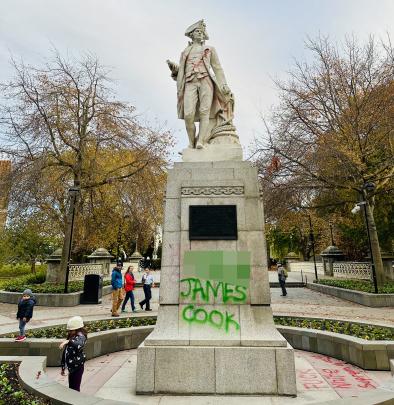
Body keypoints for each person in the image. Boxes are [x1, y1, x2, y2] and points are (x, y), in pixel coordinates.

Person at [167, 20, 236, 149]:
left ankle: (201, 142)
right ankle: (192, 142)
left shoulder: (209, 49)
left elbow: (217, 68)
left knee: (205, 112)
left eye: (201, 31)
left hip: (206, 81)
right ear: (192, 35)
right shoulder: (185, 52)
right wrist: (174, 70)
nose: (199, 33)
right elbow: (182, 69)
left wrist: (224, 84)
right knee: (189, 115)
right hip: (189, 83)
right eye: (197, 31)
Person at [60, 316, 87, 392]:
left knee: (75, 388)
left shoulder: (81, 337)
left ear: (78, 329)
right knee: (71, 388)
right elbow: (65, 353)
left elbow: (79, 344)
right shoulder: (72, 336)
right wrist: (63, 367)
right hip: (71, 368)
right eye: (69, 331)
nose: (69, 332)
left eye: (71, 331)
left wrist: (68, 341)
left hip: (78, 367)